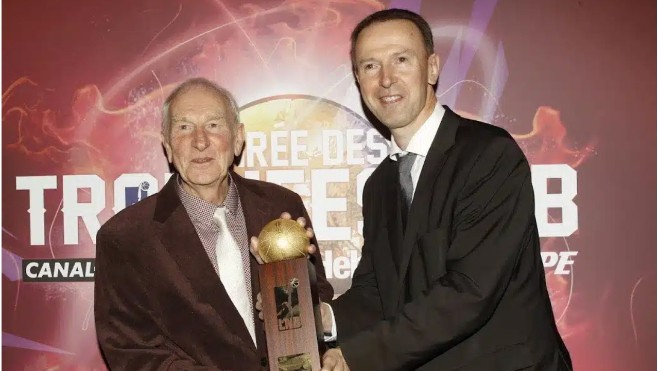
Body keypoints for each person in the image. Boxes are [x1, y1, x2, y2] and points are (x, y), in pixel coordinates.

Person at [320, 9, 573, 371]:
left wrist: (358, 356)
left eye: (401, 60)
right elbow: (376, 290)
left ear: (433, 68)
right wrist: (320, 319)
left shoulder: (488, 155)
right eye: (370, 66)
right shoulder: (380, 185)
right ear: (358, 80)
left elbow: (470, 291)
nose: (386, 79)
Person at [94, 77, 333, 370]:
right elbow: (132, 351)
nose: (200, 141)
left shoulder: (281, 207)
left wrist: (291, 292)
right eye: (184, 127)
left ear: (237, 138)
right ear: (167, 145)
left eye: (214, 125)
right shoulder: (125, 237)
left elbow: (317, 301)